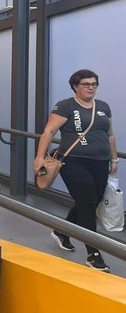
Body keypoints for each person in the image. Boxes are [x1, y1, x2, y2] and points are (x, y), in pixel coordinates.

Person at [34, 69, 117, 272]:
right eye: (86, 84)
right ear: (75, 86)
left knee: (89, 201)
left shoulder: (103, 107)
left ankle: (62, 231)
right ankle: (93, 254)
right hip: (73, 162)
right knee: (87, 203)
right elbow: (49, 131)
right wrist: (39, 157)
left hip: (100, 162)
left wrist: (114, 158)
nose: (91, 88)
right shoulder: (66, 106)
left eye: (94, 84)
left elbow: (110, 135)